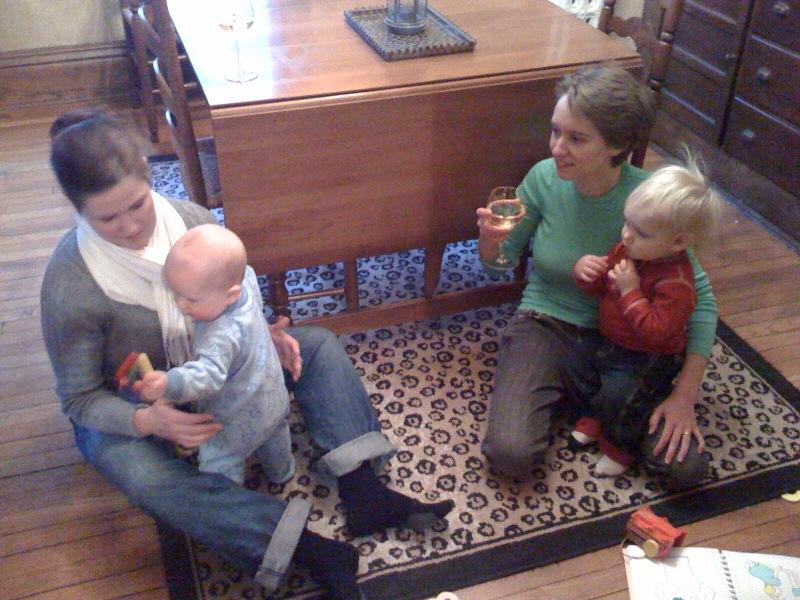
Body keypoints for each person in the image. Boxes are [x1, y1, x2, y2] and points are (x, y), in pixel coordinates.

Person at [41, 109, 453, 600]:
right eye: (108, 218)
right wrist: (148, 421)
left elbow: (234, 289)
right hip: (148, 401)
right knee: (133, 468)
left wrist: (265, 332)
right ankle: (308, 549)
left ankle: (364, 491)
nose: (131, 227)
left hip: (222, 367)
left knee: (316, 344)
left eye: (137, 204)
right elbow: (80, 399)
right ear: (78, 211)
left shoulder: (191, 220)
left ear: (149, 176)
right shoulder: (71, 286)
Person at [476, 65, 719, 491]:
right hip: (547, 324)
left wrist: (684, 394)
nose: (557, 148)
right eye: (555, 131)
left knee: (686, 471)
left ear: (618, 145)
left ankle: (590, 405)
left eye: (576, 138)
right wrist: (488, 241)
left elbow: (700, 301)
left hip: (631, 346)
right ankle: (593, 406)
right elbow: (499, 264)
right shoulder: (542, 178)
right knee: (510, 453)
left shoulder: (650, 198)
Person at [562, 159, 723, 477]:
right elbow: (603, 290)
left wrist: (630, 291)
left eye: (641, 232)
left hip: (648, 356)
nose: (626, 235)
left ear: (678, 242)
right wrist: (586, 274)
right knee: (580, 369)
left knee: (623, 397)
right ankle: (595, 417)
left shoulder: (677, 283)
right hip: (612, 341)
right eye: (627, 222)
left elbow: (655, 332)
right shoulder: (629, 249)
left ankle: (618, 449)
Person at [136, 224, 294, 486]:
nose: (179, 304)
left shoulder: (218, 334)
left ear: (230, 295)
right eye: (175, 293)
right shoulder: (246, 279)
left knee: (220, 461)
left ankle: (226, 499)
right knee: (276, 437)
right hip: (273, 398)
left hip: (235, 421)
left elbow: (208, 375)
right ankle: (283, 473)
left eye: (191, 299)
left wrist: (169, 382)